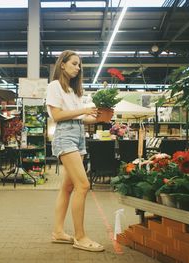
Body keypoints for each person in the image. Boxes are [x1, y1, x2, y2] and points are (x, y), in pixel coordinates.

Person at [46, 50, 105, 252]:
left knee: (68, 188)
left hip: (79, 135)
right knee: (83, 185)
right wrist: (84, 110)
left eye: (79, 65)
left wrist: (99, 117)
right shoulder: (55, 86)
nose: (77, 68)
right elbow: (57, 115)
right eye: (74, 63)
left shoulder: (73, 91)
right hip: (65, 136)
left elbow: (83, 119)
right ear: (62, 64)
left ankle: (58, 232)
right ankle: (80, 237)